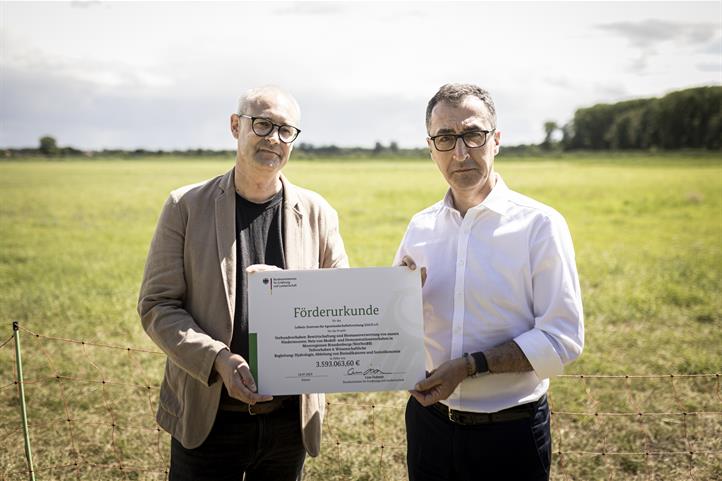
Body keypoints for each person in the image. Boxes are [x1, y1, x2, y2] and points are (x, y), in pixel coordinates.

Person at [138, 86, 348, 481]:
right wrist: (218, 358)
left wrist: (401, 288)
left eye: (286, 130)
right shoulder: (185, 206)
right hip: (210, 419)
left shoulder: (319, 212)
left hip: (289, 423)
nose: (274, 138)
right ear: (236, 127)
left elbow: (339, 302)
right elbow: (157, 305)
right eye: (263, 124)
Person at [395, 83, 584, 481]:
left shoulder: (540, 225)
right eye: (445, 138)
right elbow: (394, 325)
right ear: (431, 147)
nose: (460, 152)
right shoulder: (420, 227)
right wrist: (398, 307)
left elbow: (563, 338)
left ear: (496, 140)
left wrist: (469, 367)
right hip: (429, 426)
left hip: (509, 434)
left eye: (473, 135)